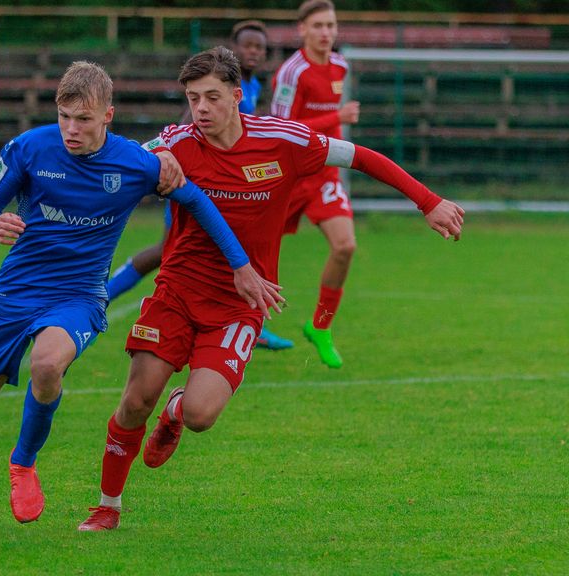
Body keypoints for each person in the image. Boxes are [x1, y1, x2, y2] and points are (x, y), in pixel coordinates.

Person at [78, 47, 464, 531]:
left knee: (199, 415)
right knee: (136, 400)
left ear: (237, 96)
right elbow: (117, 164)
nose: (201, 108)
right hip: (176, 291)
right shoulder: (175, 143)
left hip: (241, 301)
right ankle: (107, 506)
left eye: (212, 97)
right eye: (193, 98)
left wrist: (428, 202)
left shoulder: (283, 140)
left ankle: (175, 411)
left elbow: (360, 157)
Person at [0, 61, 283, 529]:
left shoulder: (134, 164)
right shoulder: (29, 147)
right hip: (16, 289)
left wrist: (240, 265)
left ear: (108, 115)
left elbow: (197, 201)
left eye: (83, 119)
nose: (71, 129)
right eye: (64, 117)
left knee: (47, 364)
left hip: (79, 295)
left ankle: (23, 463)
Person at [104, 20, 293, 350]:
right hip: (193, 184)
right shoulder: (212, 88)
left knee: (230, 249)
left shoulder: (251, 87)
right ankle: (104, 297)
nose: (254, 52)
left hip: (225, 188)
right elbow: (186, 129)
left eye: (260, 48)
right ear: (234, 48)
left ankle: (246, 321)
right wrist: (170, 157)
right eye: (247, 45)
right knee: (169, 252)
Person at [270, 0, 362, 368]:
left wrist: (334, 122)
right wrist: (336, 118)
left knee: (345, 246)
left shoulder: (340, 65)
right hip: (289, 176)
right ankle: (233, 321)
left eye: (331, 25)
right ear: (302, 30)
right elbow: (280, 130)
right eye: (319, 25)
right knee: (255, 249)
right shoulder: (292, 73)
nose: (326, 32)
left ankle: (320, 326)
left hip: (324, 174)